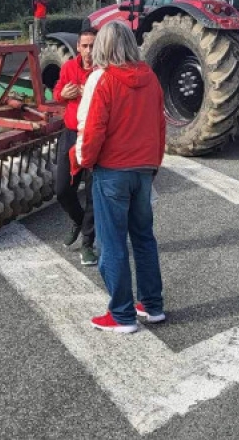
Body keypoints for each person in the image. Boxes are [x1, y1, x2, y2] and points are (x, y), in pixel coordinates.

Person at [78, 21, 167, 334]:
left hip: (112, 171)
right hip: (144, 171)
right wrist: (153, 165)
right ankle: (151, 305)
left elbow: (93, 128)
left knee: (112, 243)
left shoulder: (104, 80)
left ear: (103, 46)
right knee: (144, 238)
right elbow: (160, 126)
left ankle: (121, 315)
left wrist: (85, 161)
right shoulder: (151, 78)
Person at [53, 27, 98, 264]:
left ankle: (88, 244)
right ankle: (79, 221)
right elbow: (58, 92)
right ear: (78, 47)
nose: (89, 51)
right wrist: (64, 94)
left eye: (93, 46)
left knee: (93, 193)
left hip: (96, 136)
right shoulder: (69, 67)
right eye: (85, 46)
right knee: (62, 190)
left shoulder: (105, 71)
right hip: (71, 134)